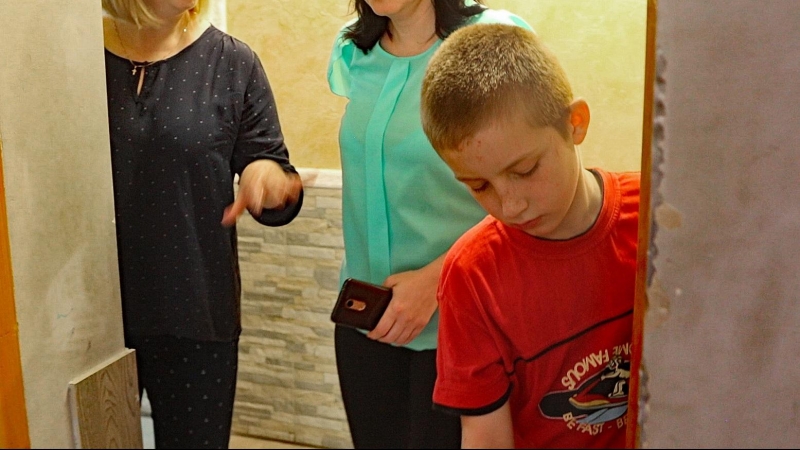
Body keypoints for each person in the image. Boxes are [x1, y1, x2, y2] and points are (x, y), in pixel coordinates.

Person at [420, 23, 640, 448]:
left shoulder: (654, 215)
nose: (510, 206)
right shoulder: (472, 276)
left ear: (575, 123)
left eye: (524, 171)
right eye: (478, 186)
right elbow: (486, 437)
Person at [326, 1, 531, 448]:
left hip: (464, 325)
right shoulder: (352, 51)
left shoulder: (490, 40)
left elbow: (527, 196)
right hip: (367, 325)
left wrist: (438, 280)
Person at [101, 0, 303, 448]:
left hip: (195, 313)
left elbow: (271, 169)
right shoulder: (72, 59)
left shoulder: (232, 62)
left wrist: (266, 178)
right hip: (90, 318)